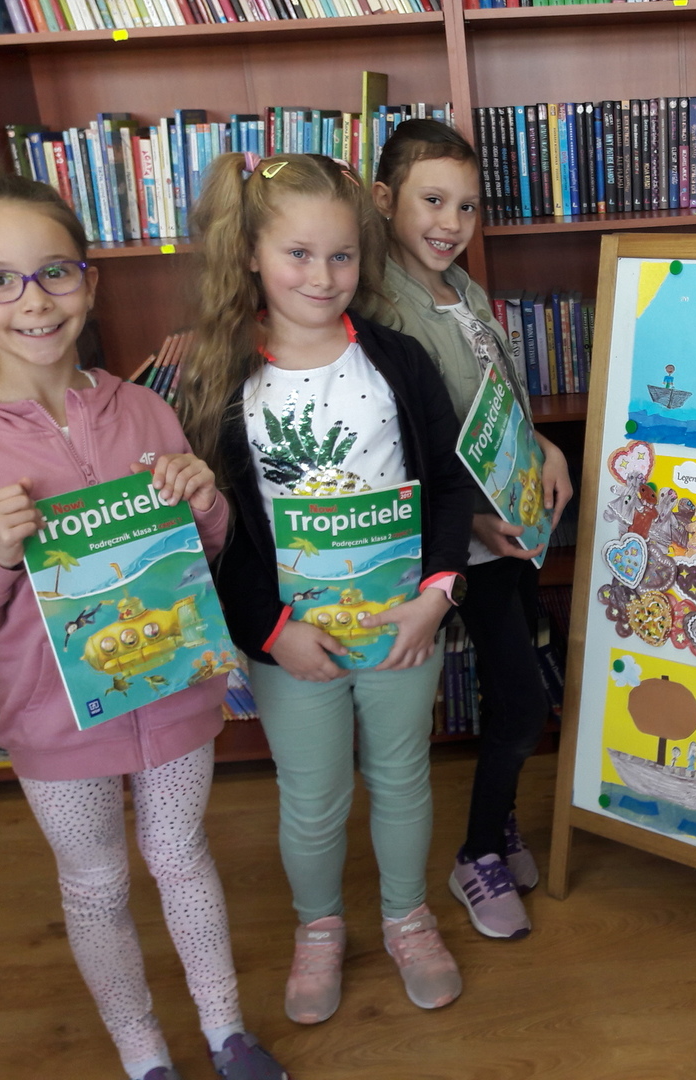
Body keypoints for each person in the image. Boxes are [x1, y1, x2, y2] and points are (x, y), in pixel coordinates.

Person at [0, 176, 287, 1080]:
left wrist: (206, 502)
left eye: (55, 272)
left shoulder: (146, 409)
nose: (34, 300)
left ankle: (225, 1029)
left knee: (183, 858)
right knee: (96, 885)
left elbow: (200, 552)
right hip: (54, 724)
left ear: (90, 280)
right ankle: (143, 1051)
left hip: (174, 695)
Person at [177, 152, 475, 1027]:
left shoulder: (398, 361)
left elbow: (449, 482)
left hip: (402, 625)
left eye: (342, 256)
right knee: (312, 799)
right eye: (298, 254)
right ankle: (319, 928)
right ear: (252, 256)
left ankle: (407, 917)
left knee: (402, 777)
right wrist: (271, 631)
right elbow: (219, 533)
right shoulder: (223, 380)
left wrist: (437, 596)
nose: (322, 275)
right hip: (292, 643)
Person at [372, 120, 572, 941]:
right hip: (467, 542)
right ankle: (477, 852)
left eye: (467, 206)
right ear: (384, 200)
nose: (451, 222)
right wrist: (473, 526)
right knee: (522, 703)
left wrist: (548, 447)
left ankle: (500, 818)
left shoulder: (468, 292)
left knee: (517, 684)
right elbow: (398, 452)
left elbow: (502, 408)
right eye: (432, 200)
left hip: (515, 527)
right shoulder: (380, 312)